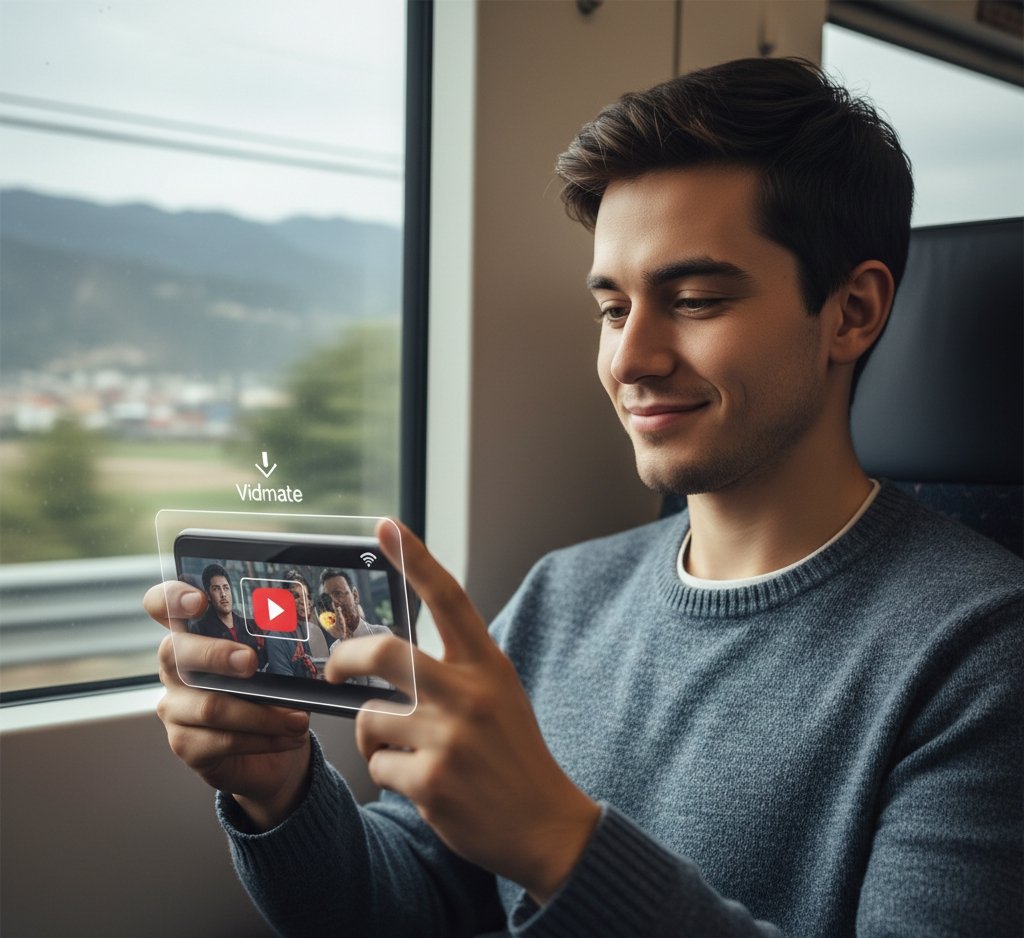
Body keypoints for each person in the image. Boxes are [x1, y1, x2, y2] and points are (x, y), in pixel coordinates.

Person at [146, 58, 1022, 936]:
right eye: (613, 309)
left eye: (695, 299)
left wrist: (560, 846)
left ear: (852, 312)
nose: (629, 360)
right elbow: (417, 902)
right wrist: (282, 795)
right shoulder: (562, 596)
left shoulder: (982, 655)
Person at [319, 569, 392, 688]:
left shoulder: (381, 634)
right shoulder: (335, 648)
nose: (333, 603)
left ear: (355, 596)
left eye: (338, 593)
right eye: (328, 598)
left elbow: (385, 687)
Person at [187, 563, 267, 671]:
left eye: (226, 588)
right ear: (208, 596)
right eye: (216, 589)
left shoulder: (251, 626)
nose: (223, 594)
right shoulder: (199, 631)